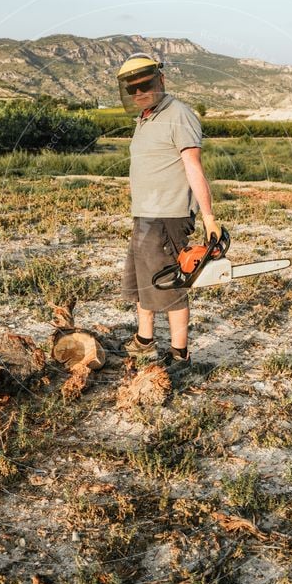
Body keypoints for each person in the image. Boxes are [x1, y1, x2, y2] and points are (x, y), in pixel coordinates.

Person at [117, 52, 221, 371]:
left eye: (144, 85)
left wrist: (209, 218)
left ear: (161, 79)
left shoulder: (179, 114)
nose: (139, 93)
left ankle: (180, 355)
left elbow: (193, 167)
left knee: (169, 283)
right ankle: (145, 341)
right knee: (142, 281)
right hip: (145, 215)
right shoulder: (145, 117)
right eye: (132, 89)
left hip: (169, 216)